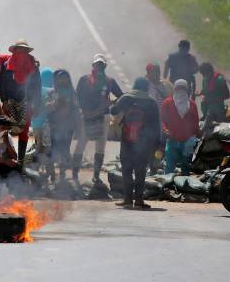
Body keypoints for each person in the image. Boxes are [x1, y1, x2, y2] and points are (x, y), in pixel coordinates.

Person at [73, 53, 124, 185]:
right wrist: (82, 111)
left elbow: (122, 96)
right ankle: (74, 175)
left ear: (105, 66)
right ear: (93, 65)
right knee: (80, 145)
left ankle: (96, 176)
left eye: (102, 65)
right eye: (97, 64)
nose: (99, 67)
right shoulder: (84, 80)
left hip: (103, 117)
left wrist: (111, 103)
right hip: (87, 117)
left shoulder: (109, 81)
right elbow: (76, 96)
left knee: (100, 147)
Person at [111, 78, 160, 209]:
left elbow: (113, 111)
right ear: (146, 88)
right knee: (140, 170)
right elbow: (156, 125)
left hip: (127, 139)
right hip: (144, 141)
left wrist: (115, 102)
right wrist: (158, 143)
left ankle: (127, 199)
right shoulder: (151, 102)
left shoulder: (126, 98)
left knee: (126, 169)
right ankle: (138, 200)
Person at [0, 39, 39, 169]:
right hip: (10, 101)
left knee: (24, 130)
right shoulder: (7, 65)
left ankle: (20, 161)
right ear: (15, 50)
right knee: (6, 128)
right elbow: (3, 84)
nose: (21, 52)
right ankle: (6, 159)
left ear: (27, 51)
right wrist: (4, 100)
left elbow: (37, 86)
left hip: (27, 102)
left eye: (24, 50)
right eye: (19, 49)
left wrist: (36, 104)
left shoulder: (33, 66)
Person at [45, 69, 79, 182]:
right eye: (60, 78)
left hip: (68, 127)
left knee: (65, 149)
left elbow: (76, 109)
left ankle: (62, 173)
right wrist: (55, 104)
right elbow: (46, 107)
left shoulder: (72, 93)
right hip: (54, 126)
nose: (63, 80)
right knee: (52, 150)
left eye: (65, 78)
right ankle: (51, 174)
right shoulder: (52, 92)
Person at [161, 79, 200, 175]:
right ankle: (168, 183)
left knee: (185, 167)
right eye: (178, 89)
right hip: (172, 140)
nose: (180, 91)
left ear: (186, 90)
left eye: (182, 89)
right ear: (174, 90)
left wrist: (194, 137)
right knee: (169, 167)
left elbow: (195, 123)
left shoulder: (192, 105)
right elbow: (162, 120)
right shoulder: (167, 103)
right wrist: (165, 130)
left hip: (187, 142)